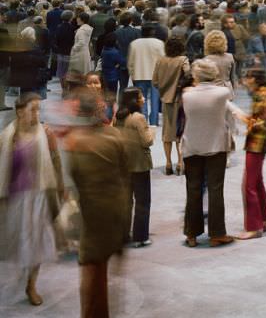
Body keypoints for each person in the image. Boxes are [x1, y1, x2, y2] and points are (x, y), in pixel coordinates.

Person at [63, 87, 129, 318]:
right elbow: (124, 176)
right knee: (101, 279)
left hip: (91, 220)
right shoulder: (114, 137)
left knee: (91, 281)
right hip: (115, 215)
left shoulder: (76, 143)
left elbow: (72, 184)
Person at [0, 93, 63, 306]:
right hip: (14, 199)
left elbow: (56, 162)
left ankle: (31, 284)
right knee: (17, 244)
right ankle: (21, 275)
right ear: (19, 111)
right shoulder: (7, 137)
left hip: (39, 196)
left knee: (38, 244)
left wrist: (60, 186)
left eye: (39, 109)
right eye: (32, 109)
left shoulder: (45, 133)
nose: (37, 114)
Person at [180, 58, 241, 248]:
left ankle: (191, 234)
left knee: (193, 189)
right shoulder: (222, 92)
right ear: (214, 74)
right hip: (216, 145)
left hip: (192, 145)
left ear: (196, 75)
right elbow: (227, 107)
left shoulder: (187, 94)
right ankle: (217, 234)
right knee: (215, 189)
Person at [233, 67, 266, 239]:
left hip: (257, 144)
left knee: (248, 185)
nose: (245, 81)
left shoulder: (262, 95)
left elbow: (264, 123)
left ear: (255, 79)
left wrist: (244, 119)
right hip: (260, 143)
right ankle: (265, 219)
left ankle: (253, 227)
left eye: (247, 78)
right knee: (257, 182)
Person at [114, 88, 154, 248]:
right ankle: (140, 236)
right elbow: (147, 141)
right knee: (143, 201)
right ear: (134, 100)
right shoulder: (139, 118)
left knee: (126, 201)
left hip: (124, 164)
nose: (143, 99)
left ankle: (123, 234)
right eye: (141, 96)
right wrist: (152, 132)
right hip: (140, 165)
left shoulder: (119, 118)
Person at [152, 37, 191, 175]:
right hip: (180, 101)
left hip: (166, 101)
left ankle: (168, 163)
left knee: (167, 134)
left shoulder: (160, 61)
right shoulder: (183, 60)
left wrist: (165, 88)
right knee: (180, 132)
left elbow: (155, 82)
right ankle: (180, 162)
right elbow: (189, 74)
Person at [127, 25, 165, 126]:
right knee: (155, 100)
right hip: (155, 75)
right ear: (153, 32)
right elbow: (163, 61)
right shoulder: (159, 43)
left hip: (139, 75)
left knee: (141, 100)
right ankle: (154, 122)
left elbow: (130, 61)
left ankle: (143, 121)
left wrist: (132, 74)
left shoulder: (134, 44)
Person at [203, 29, 237, 98]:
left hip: (212, 91)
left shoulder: (206, 60)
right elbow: (232, 77)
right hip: (227, 90)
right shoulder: (230, 57)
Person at [68, 11, 93, 80]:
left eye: (78, 18)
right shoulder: (86, 28)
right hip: (85, 52)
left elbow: (81, 42)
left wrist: (74, 48)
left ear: (81, 19)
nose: (76, 19)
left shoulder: (82, 30)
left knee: (79, 73)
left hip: (79, 54)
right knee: (84, 72)